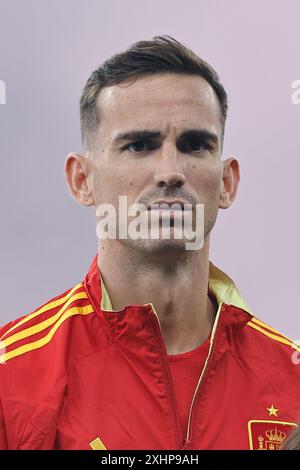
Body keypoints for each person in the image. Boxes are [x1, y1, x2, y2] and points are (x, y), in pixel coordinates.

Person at [0, 35, 299, 451]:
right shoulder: (10, 379)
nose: (170, 171)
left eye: (195, 145)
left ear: (227, 182)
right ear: (82, 180)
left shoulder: (293, 383)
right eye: (139, 145)